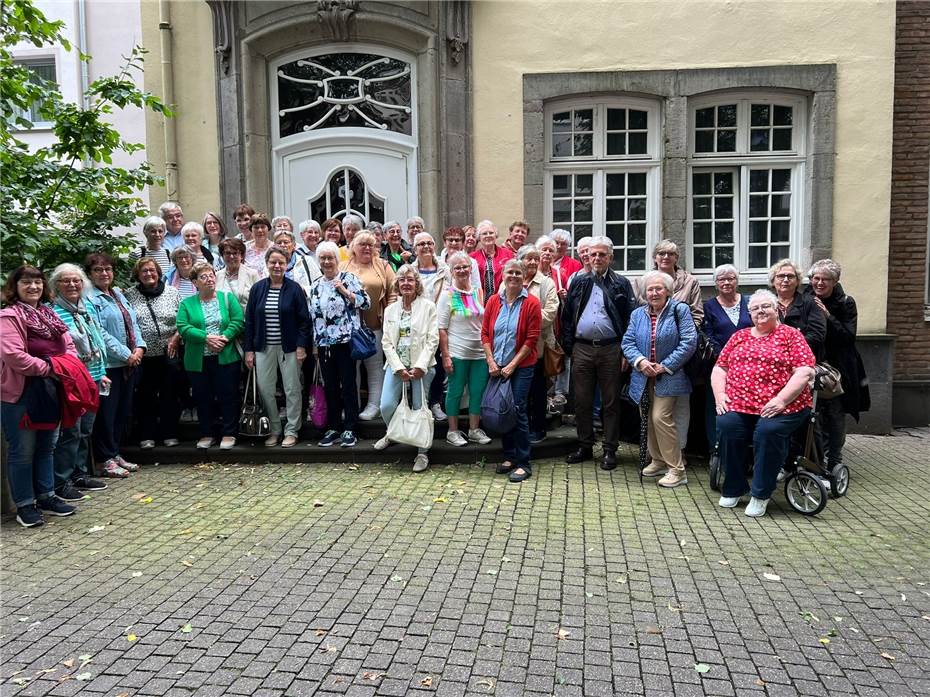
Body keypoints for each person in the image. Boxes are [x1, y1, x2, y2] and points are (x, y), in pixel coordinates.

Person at [712, 289, 816, 517]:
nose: (760, 311)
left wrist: (780, 400)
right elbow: (720, 368)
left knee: (767, 432)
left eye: (765, 306)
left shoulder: (791, 335)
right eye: (755, 308)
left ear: (777, 309)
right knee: (728, 425)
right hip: (741, 403)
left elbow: (805, 371)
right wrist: (720, 396)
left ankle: (761, 493)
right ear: (749, 313)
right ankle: (734, 487)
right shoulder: (739, 336)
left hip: (785, 406)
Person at [1, 266, 80, 527]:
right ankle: (25, 504)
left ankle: (46, 496)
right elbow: (14, 356)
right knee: (23, 451)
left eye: (37, 282)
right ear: (15, 287)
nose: (33, 287)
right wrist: (51, 368)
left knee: (47, 446)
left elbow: (69, 346)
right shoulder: (8, 317)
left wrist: (63, 366)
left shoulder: (49, 314)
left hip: (51, 390)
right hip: (22, 393)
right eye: (26, 282)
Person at [561, 237, 636, 470]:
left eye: (602, 254)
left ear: (610, 257)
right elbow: (567, 316)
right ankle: (584, 445)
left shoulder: (621, 284)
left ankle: (610, 449)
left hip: (611, 348)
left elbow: (630, 319)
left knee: (611, 401)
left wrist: (625, 350)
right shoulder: (579, 282)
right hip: (582, 348)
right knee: (581, 401)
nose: (596, 258)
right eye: (593, 254)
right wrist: (569, 347)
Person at [622, 271, 698, 488]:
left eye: (658, 288)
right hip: (643, 376)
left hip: (670, 376)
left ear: (668, 291)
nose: (654, 293)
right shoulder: (638, 314)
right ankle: (657, 460)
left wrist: (665, 366)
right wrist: (640, 362)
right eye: (650, 289)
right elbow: (628, 342)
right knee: (646, 417)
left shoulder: (679, 310)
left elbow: (689, 342)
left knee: (660, 418)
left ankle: (677, 469)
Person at [49, 264, 109, 499]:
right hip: (72, 381)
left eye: (76, 280)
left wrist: (102, 371)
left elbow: (98, 342)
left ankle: (80, 474)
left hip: (93, 377)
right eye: (66, 281)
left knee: (86, 430)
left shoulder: (87, 309)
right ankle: (61, 481)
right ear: (56, 285)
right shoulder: (53, 312)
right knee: (70, 432)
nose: (72, 285)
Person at [804, 259, 870, 469]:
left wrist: (827, 316)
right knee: (815, 414)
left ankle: (835, 461)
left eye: (826, 279)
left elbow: (848, 337)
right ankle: (816, 461)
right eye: (816, 278)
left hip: (839, 367)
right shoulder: (805, 297)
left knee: (835, 413)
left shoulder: (845, 302)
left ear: (835, 281)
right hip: (814, 363)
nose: (820, 283)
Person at [243, 246, 312, 448]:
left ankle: (292, 430)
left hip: (289, 347)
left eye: (281, 262)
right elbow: (250, 322)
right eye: (273, 262)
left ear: (287, 265)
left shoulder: (294, 289)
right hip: (263, 347)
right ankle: (274, 429)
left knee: (292, 389)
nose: (277, 266)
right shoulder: (258, 289)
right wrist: (249, 350)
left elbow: (304, 321)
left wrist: (301, 346)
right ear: (267, 264)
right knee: (265, 389)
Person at [374, 266, 440, 472]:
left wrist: (420, 366)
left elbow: (433, 339)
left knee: (421, 408)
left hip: (422, 366)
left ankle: (422, 452)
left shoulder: (428, 306)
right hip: (396, 366)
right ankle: (392, 432)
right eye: (401, 280)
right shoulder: (390, 309)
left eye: (410, 279)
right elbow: (387, 342)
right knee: (386, 405)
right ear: (397, 284)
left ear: (417, 283)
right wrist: (398, 367)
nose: (406, 283)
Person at [85, 252, 145, 478]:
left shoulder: (118, 293)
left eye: (108, 269)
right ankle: (104, 459)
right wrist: (125, 354)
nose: (104, 273)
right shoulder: (90, 299)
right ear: (90, 274)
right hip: (108, 365)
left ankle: (115, 452)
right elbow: (98, 332)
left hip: (128, 364)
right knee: (106, 414)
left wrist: (139, 348)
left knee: (122, 412)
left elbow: (133, 322)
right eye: (98, 270)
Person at [482, 259, 542, 483]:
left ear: (524, 277)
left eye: (519, 273)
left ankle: (523, 462)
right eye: (510, 272)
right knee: (502, 409)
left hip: (522, 366)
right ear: (503, 275)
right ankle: (509, 456)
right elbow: (485, 334)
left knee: (517, 409)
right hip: (496, 366)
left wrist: (512, 365)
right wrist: (491, 361)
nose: (514, 276)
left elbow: (531, 339)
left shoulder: (532, 303)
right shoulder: (493, 302)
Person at [642, 239, 703, 452]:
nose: (666, 257)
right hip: (650, 353)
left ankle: (680, 451)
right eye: (661, 253)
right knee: (652, 409)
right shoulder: (646, 280)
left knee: (680, 405)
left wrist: (679, 334)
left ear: (677, 258)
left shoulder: (690, 282)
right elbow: (640, 313)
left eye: (670, 254)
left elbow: (697, 314)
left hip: (680, 354)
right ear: (655, 257)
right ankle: (657, 454)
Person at [308, 241, 371, 447]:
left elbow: (366, 302)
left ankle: (351, 428)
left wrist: (345, 291)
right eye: (323, 258)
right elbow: (314, 317)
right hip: (325, 345)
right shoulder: (316, 285)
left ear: (337, 259)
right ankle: (334, 427)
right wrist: (316, 346)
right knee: (331, 386)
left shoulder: (348, 278)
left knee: (349, 385)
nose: (327, 261)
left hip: (346, 342)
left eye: (330, 258)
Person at [177, 262, 245, 450]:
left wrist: (223, 338)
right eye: (204, 277)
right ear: (195, 282)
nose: (209, 279)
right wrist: (206, 338)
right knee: (203, 397)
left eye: (211, 275)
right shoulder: (187, 303)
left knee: (228, 395)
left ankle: (229, 433)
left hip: (226, 356)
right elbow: (183, 327)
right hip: (198, 360)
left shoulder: (226, 298)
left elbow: (238, 320)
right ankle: (207, 433)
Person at [123, 257, 182, 449]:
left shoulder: (172, 292)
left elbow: (183, 320)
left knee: (170, 393)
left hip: (169, 351)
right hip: (143, 354)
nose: (149, 274)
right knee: (145, 395)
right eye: (144, 271)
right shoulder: (129, 295)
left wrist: (176, 337)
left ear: (158, 272)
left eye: (152, 270)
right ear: (137, 275)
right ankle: (147, 434)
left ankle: (170, 433)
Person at [341, 232, 397, 421]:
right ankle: (352, 405)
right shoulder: (343, 266)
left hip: (375, 327)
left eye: (370, 245)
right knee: (351, 369)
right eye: (362, 244)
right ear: (353, 247)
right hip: (348, 330)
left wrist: (389, 317)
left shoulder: (383, 265)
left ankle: (374, 405)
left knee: (374, 368)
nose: (366, 248)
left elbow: (393, 293)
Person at [438, 251, 491, 447]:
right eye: (457, 268)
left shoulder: (478, 291)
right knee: (455, 392)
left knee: (477, 392)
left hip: (479, 353)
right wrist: (446, 356)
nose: (462, 270)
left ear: (471, 268)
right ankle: (452, 431)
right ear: (451, 271)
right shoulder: (447, 295)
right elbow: (441, 329)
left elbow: (483, 323)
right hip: (457, 353)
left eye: (465, 266)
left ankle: (474, 429)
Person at [507, 245, 559, 444]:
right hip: (513, 347)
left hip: (538, 346)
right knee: (519, 390)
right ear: (520, 259)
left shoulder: (546, 284)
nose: (533, 262)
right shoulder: (511, 279)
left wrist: (524, 321)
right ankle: (519, 428)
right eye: (529, 258)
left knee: (537, 388)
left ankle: (538, 428)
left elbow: (550, 312)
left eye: (536, 259)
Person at [702, 264, 752, 448]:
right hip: (719, 366)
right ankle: (716, 450)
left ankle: (743, 451)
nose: (726, 282)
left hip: (750, 367)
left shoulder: (750, 302)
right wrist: (726, 359)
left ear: (737, 281)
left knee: (744, 407)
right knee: (716, 405)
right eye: (722, 279)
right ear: (716, 283)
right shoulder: (709, 306)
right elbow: (707, 334)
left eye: (730, 278)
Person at [412, 232, 451, 421]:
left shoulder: (445, 270)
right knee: (418, 366)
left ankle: (435, 403)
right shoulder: (409, 270)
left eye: (429, 243)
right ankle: (419, 405)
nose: (426, 246)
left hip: (439, 326)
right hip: (416, 327)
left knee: (437, 367)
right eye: (421, 244)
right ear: (414, 249)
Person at [770, 259, 826, 359]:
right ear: (773, 281)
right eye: (781, 276)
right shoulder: (766, 304)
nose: (786, 280)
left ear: (797, 281)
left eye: (790, 276)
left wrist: (789, 345)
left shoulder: (810, 302)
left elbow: (817, 334)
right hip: (773, 358)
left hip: (805, 358)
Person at [471, 219, 515, 300]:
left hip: (503, 300)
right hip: (479, 302)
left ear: (496, 235)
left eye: (491, 233)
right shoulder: (472, 258)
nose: (488, 235)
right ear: (479, 238)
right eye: (484, 233)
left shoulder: (508, 255)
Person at [216, 238, 260, 312]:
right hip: (224, 321)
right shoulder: (217, 275)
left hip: (245, 320)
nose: (231, 256)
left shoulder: (252, 274)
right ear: (222, 255)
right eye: (227, 253)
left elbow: (259, 300)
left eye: (235, 253)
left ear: (242, 255)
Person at [278, 228, 322, 295]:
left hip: (303, 302)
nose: (282, 245)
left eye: (286, 242)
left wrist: (304, 290)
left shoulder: (307, 260)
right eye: (279, 242)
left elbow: (319, 285)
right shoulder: (270, 264)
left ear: (294, 245)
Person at [244, 213, 273, 277]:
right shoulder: (244, 248)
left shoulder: (275, 248)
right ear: (251, 229)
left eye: (263, 227)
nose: (260, 230)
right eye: (256, 227)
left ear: (268, 228)